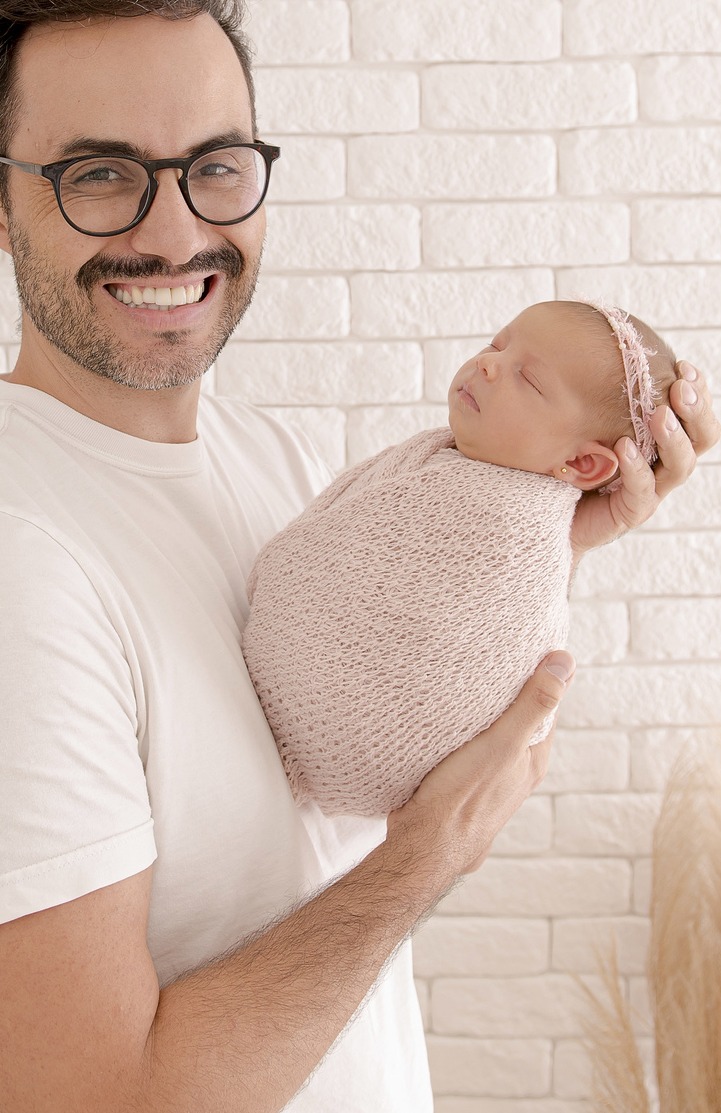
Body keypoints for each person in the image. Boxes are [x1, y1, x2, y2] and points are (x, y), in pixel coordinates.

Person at [0, 0, 719, 1113]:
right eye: (99, 176)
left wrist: (554, 531)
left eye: (215, 167)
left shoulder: (262, 456)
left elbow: (338, 752)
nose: (174, 227)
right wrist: (426, 858)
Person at [244, 300, 678, 821]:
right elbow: (344, 546)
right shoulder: (439, 456)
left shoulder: (516, 531)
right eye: (497, 345)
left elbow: (483, 651)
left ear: (582, 462)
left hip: (364, 739)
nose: (488, 364)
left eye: (529, 379)